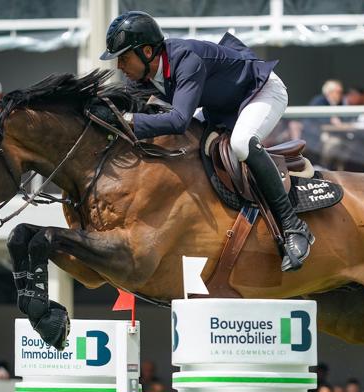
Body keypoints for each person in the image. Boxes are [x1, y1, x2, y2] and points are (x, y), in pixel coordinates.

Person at [97, 11, 312, 271]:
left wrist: (126, 119)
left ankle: (293, 227)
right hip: (221, 106)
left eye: (123, 58)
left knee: (241, 143)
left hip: (260, 91)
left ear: (146, 51)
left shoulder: (186, 60)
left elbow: (178, 121)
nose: (119, 66)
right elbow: (134, 116)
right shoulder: (140, 78)